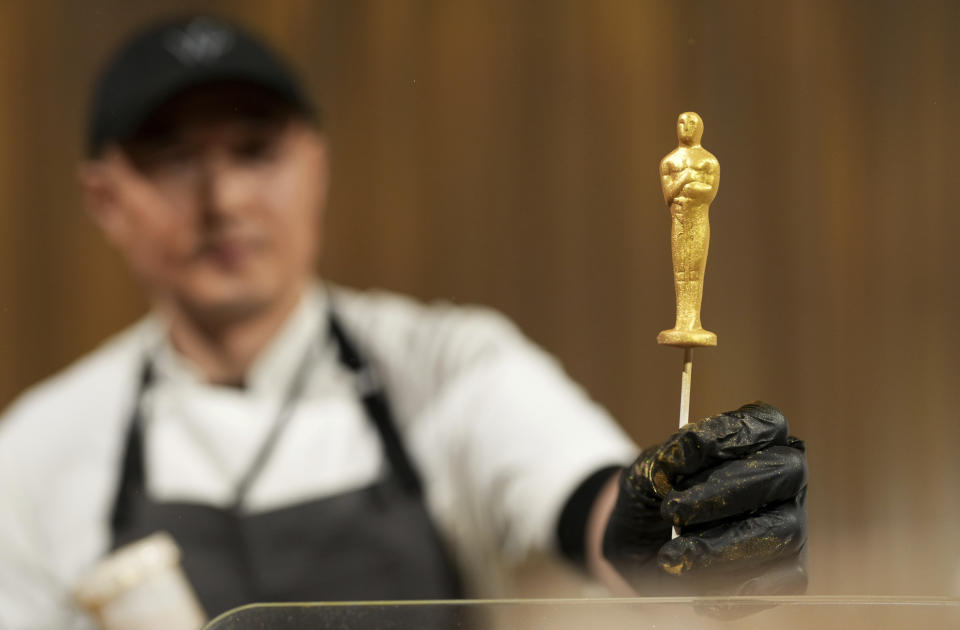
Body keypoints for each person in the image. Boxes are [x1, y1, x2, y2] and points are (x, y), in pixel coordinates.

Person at [0, 15, 808, 629]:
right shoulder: (36, 452)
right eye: (174, 158)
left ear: (315, 164)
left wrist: (665, 527)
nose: (225, 200)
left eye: (255, 151)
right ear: (105, 198)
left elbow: (592, 503)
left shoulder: (446, 364)